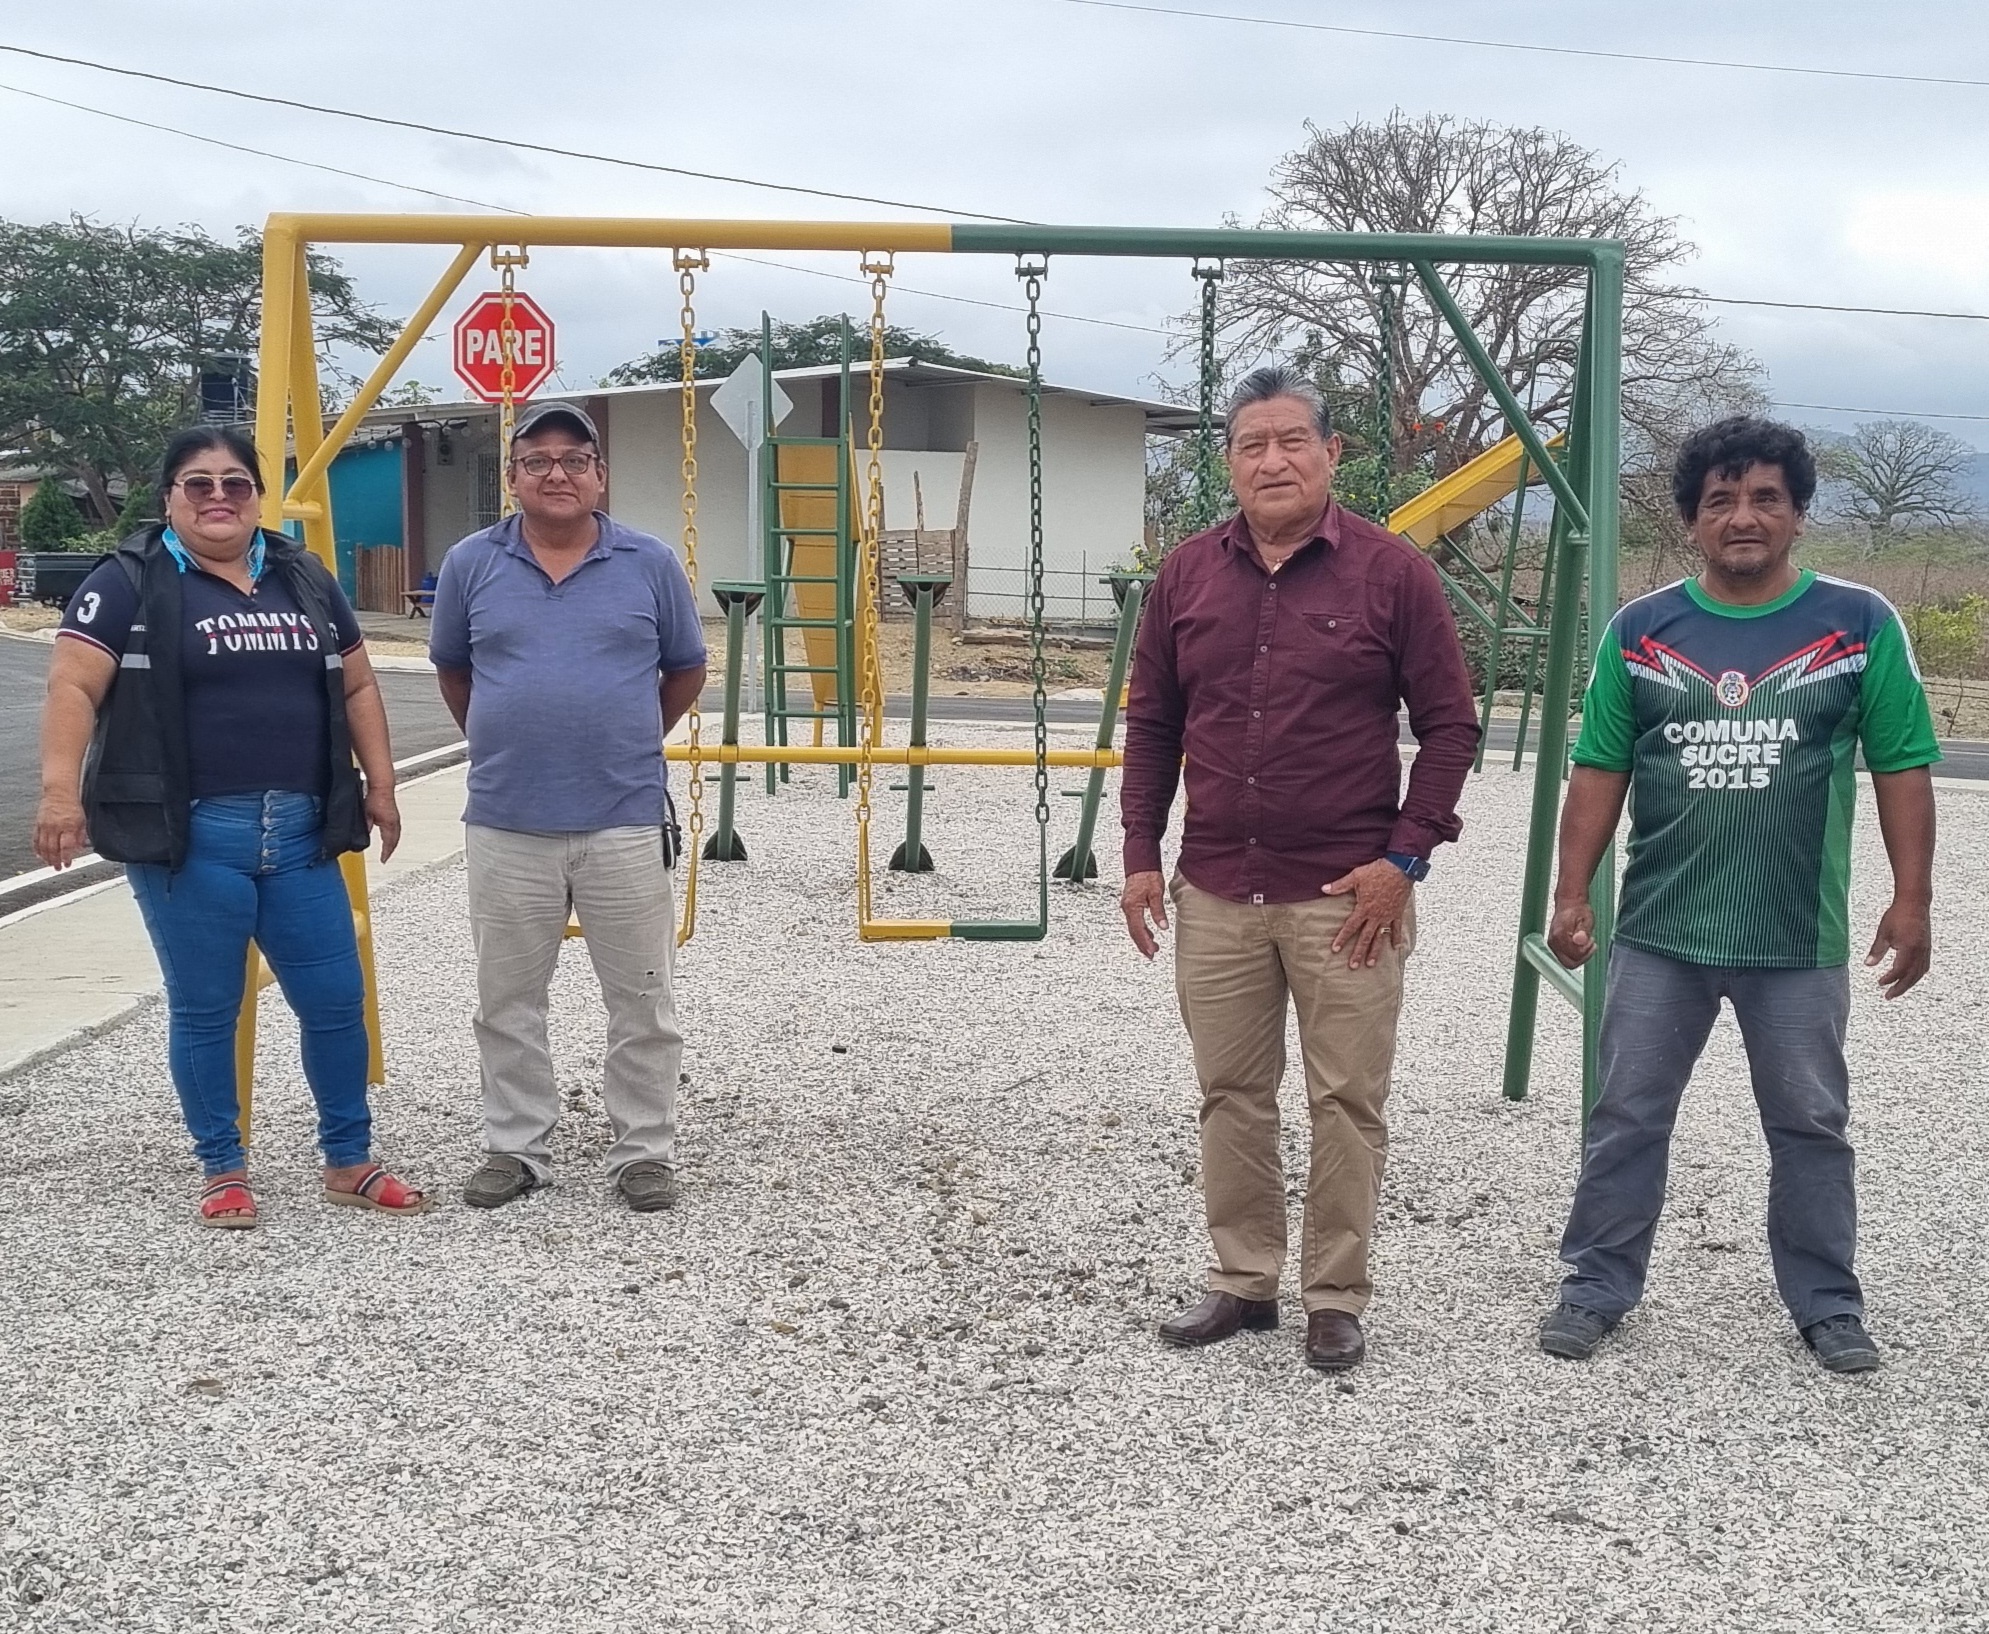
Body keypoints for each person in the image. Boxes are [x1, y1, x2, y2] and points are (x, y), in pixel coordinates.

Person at [1540, 416, 1939, 1374]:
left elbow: (1901, 764)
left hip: (1795, 938)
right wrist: (1570, 892)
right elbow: (1598, 768)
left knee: (1809, 1125)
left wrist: (1912, 898)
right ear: (1691, 522)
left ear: (1798, 513)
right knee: (1626, 1116)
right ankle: (1594, 1287)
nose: (1742, 516)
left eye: (1765, 497)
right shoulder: (1639, 632)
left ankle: (1827, 1304)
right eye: (1719, 500)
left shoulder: (1858, 624)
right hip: (1660, 933)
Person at [1120, 365, 1480, 1371]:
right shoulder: (1185, 576)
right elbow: (1152, 725)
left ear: (1330, 452)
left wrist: (1404, 858)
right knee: (1231, 1092)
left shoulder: (1392, 573)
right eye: (1251, 444)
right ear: (1228, 462)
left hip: (1346, 895)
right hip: (1217, 889)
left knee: (1346, 1100)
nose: (1271, 460)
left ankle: (1334, 1294)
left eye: (1291, 441)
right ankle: (1244, 1280)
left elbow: (1450, 727)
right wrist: (1141, 853)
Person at [34, 425, 428, 1228]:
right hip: (191, 838)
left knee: (334, 1001)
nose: (218, 496)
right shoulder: (126, 580)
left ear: (257, 496)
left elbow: (357, 685)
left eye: (235, 483)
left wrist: (382, 785)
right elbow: (73, 687)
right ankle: (222, 1168)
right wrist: (58, 796)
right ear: (169, 497)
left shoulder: (302, 576)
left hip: (302, 833)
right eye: (198, 483)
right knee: (208, 1008)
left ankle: (348, 1160)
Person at [429, 401, 707, 1213]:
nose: (557, 473)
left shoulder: (649, 562)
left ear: (599, 475)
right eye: (538, 460)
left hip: (623, 816)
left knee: (643, 999)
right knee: (507, 1000)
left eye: (574, 459)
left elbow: (685, 668)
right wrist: (505, 736)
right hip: (506, 819)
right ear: (512, 476)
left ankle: (643, 1152)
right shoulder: (470, 564)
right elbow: (453, 670)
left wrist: (625, 738)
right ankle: (516, 1147)